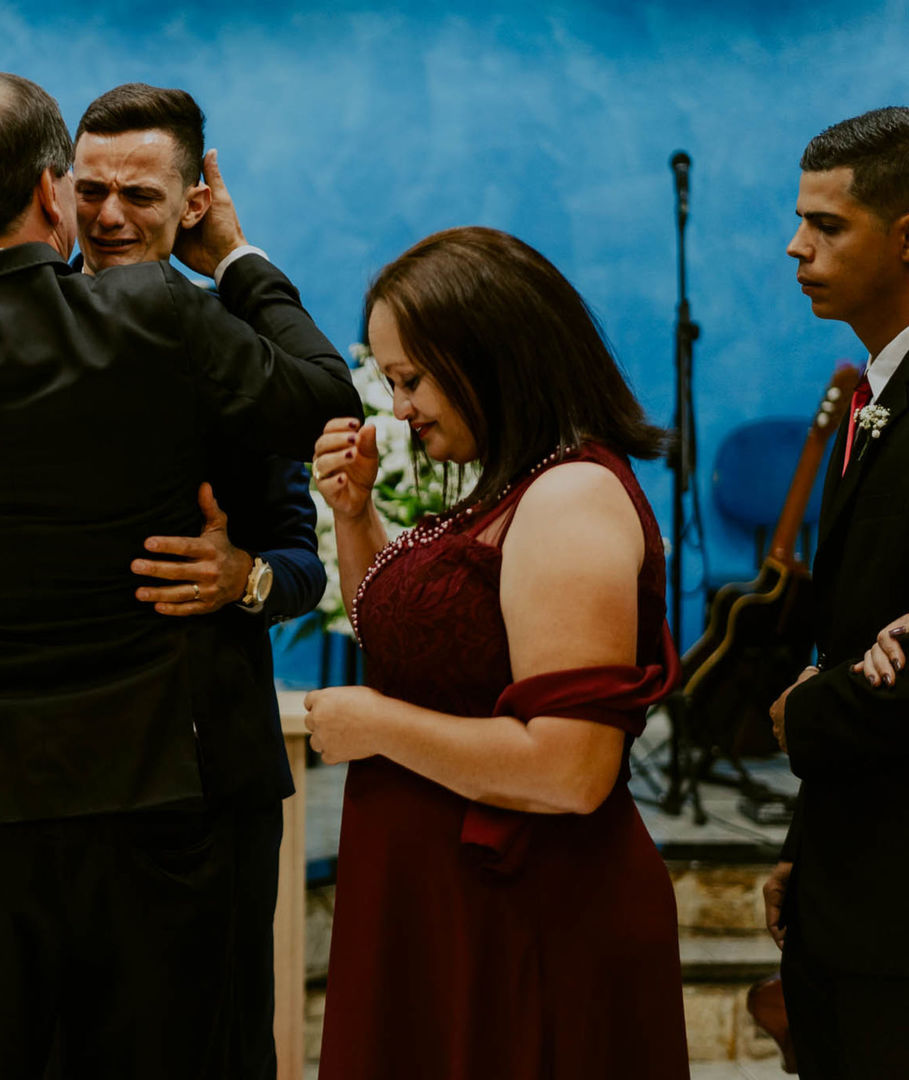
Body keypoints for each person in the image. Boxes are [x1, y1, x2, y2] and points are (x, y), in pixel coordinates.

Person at [0, 71, 356, 1079]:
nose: (109, 214)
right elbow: (325, 399)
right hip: (77, 790)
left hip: (163, 779)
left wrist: (246, 577)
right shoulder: (159, 318)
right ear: (52, 191)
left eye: (139, 195)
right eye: (90, 188)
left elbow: (295, 550)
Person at [304, 226, 688, 1079]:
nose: (397, 407)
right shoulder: (512, 485)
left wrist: (375, 724)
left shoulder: (571, 495)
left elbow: (569, 768)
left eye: (410, 379)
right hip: (448, 903)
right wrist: (355, 516)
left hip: (527, 914)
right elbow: (412, 645)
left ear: (489, 356)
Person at [762, 106, 909, 1079]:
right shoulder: (876, 393)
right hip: (850, 878)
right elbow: (856, 640)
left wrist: (803, 715)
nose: (796, 246)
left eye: (827, 225)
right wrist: (802, 850)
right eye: (799, 222)